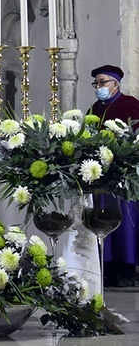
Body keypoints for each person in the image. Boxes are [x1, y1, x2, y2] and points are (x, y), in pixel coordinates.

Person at [88, 64, 139, 287]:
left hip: (124, 174)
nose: (98, 87)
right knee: (101, 217)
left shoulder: (131, 105)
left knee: (125, 223)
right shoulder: (95, 109)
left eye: (102, 82)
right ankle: (105, 267)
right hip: (101, 175)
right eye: (96, 83)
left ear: (115, 83)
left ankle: (127, 268)